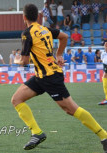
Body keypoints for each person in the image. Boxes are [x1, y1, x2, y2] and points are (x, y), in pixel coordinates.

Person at [12, 4, 107, 151]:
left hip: (50, 77)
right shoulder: (45, 29)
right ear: (37, 17)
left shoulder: (27, 33)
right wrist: (59, 54)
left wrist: (16, 60)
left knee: (71, 109)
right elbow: (64, 36)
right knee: (16, 99)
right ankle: (37, 133)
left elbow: (24, 62)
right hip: (41, 77)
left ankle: (104, 136)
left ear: (24, 17)